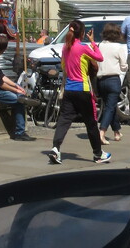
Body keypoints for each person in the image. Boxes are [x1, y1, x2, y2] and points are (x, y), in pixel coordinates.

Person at [48, 18, 109, 165]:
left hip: (69, 89)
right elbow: (100, 57)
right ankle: (98, 154)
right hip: (82, 89)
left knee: (64, 120)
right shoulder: (82, 47)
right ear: (81, 33)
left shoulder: (65, 48)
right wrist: (93, 42)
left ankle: (56, 148)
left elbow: (64, 67)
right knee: (91, 123)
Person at [97, 23, 127, 145]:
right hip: (113, 80)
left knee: (110, 106)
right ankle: (102, 132)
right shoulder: (119, 47)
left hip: (100, 80)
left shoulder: (100, 46)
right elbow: (124, 66)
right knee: (110, 107)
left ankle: (116, 132)